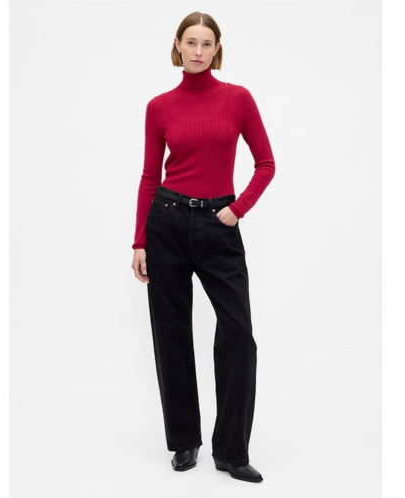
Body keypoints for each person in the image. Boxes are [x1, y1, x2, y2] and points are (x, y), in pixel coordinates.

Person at [131, 12, 275, 484]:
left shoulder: (238, 99)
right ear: (177, 45)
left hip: (219, 225)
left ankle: (231, 450)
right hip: (167, 222)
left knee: (238, 333)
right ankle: (184, 441)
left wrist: (237, 210)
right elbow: (150, 176)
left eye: (206, 43)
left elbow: (266, 163)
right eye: (190, 42)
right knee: (171, 333)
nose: (198, 51)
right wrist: (140, 240)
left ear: (217, 49)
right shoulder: (159, 107)